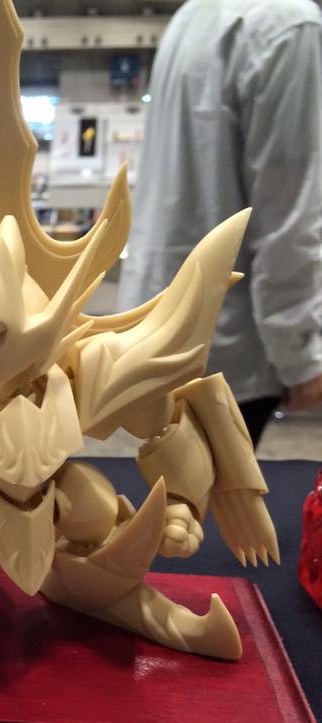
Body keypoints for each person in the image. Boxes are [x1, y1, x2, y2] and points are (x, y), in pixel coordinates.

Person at [119, 0, 322, 446]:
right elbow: (288, 210)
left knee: (177, 481)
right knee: (216, 484)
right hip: (229, 338)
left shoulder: (194, 15)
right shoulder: (287, 23)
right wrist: (300, 353)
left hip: (161, 318)